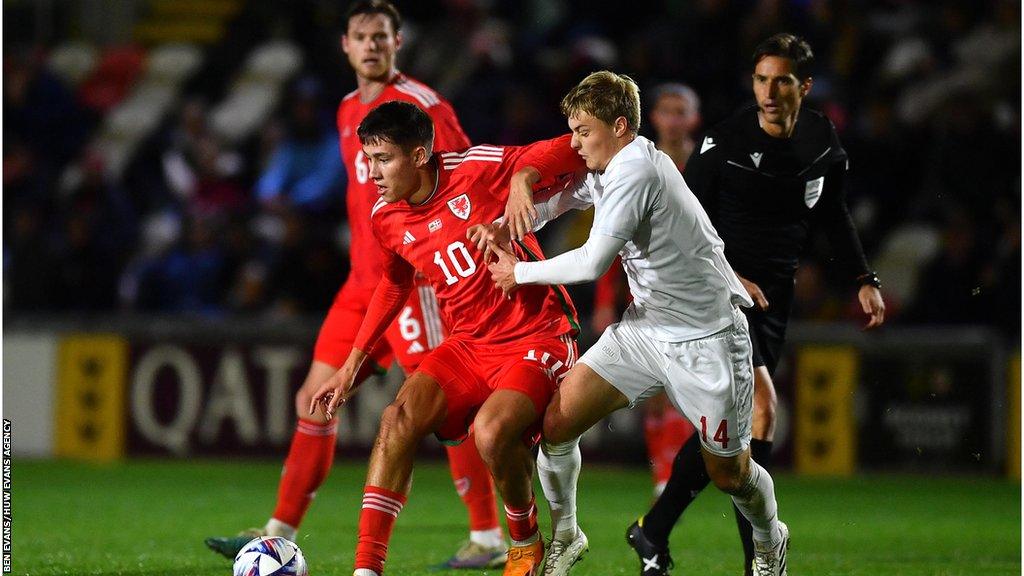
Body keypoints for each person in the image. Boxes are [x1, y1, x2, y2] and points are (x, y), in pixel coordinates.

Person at [205, 2, 507, 569]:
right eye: (361, 37)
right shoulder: (348, 110)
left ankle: (488, 536)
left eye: (382, 37)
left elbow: (464, 172)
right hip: (360, 286)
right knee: (312, 401)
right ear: (345, 44)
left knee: (444, 410)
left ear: (399, 41)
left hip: (414, 284)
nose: (371, 46)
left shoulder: (423, 106)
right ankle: (274, 533)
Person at [487, 70, 789, 576]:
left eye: (583, 131)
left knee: (729, 473)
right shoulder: (609, 164)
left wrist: (518, 272)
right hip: (645, 329)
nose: (574, 142)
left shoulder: (639, 171)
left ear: (621, 126)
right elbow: (567, 196)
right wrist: (512, 220)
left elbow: (590, 263)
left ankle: (768, 538)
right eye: (573, 130)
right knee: (556, 425)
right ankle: (566, 536)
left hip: (707, 340)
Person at [629, 34, 885, 575]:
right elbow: (683, 218)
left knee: (733, 431)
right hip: (718, 291)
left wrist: (863, 276)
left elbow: (832, 213)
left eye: (782, 80)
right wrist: (730, 274)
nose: (769, 91)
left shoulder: (821, 140)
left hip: (775, 296)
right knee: (762, 409)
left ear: (804, 87)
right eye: (761, 79)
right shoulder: (725, 142)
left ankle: (653, 531)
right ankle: (759, 559)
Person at [309, 100, 584, 576]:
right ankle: (365, 569)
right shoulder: (385, 215)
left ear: (419, 155)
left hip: (535, 333)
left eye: (383, 159)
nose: (372, 172)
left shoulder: (476, 169)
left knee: (492, 432)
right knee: (396, 419)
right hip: (469, 343)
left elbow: (569, 149)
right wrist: (351, 366)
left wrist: (521, 181)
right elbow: (394, 282)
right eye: (368, 159)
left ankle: (524, 541)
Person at [591, 83, 704, 498]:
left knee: (690, 387)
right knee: (657, 390)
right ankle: (665, 479)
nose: (673, 119)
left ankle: (691, 473)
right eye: (666, 110)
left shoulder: (706, 165)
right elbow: (613, 233)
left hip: (697, 290)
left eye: (682, 111)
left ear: (694, 119)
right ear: (653, 117)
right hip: (646, 290)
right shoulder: (634, 163)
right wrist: (606, 300)